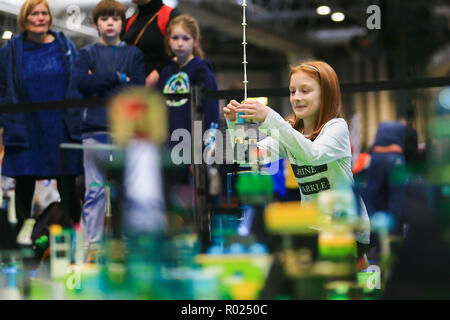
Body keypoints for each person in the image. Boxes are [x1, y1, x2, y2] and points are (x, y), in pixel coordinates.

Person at [224, 61, 371, 257]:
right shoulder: (291, 133)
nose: (297, 98)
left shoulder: (337, 128)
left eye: (305, 91)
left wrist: (269, 118)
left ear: (326, 94)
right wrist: (235, 125)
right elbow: (247, 156)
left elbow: (311, 154)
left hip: (348, 230)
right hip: (314, 230)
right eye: (293, 91)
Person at [0, 0, 83, 238]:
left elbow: (78, 81)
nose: (40, 17)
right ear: (25, 18)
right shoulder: (11, 50)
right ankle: (23, 239)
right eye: (34, 13)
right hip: (25, 125)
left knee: (67, 182)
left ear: (49, 18)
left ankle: (73, 236)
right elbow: (2, 85)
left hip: (60, 124)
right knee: (24, 180)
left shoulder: (65, 46)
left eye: (44, 13)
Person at [74, 0, 146, 257]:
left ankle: (127, 245)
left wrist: (100, 82)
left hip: (126, 132)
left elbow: (137, 88)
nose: (110, 23)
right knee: (94, 192)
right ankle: (91, 246)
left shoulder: (134, 55)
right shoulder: (86, 54)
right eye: (104, 19)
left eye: (114, 19)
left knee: (128, 191)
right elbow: (82, 83)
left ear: (122, 23)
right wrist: (117, 78)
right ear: (96, 24)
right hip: (94, 131)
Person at [157, 14, 220, 183]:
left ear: (195, 41)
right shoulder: (165, 72)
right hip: (168, 147)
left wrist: (207, 145)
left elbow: (212, 109)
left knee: (194, 199)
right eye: (175, 37)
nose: (180, 42)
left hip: (193, 146)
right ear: (168, 41)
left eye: (185, 38)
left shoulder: (201, 70)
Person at [122, 0, 179, 87]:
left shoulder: (170, 16)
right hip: (130, 85)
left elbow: (179, 53)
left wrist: (158, 72)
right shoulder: (131, 20)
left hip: (159, 86)